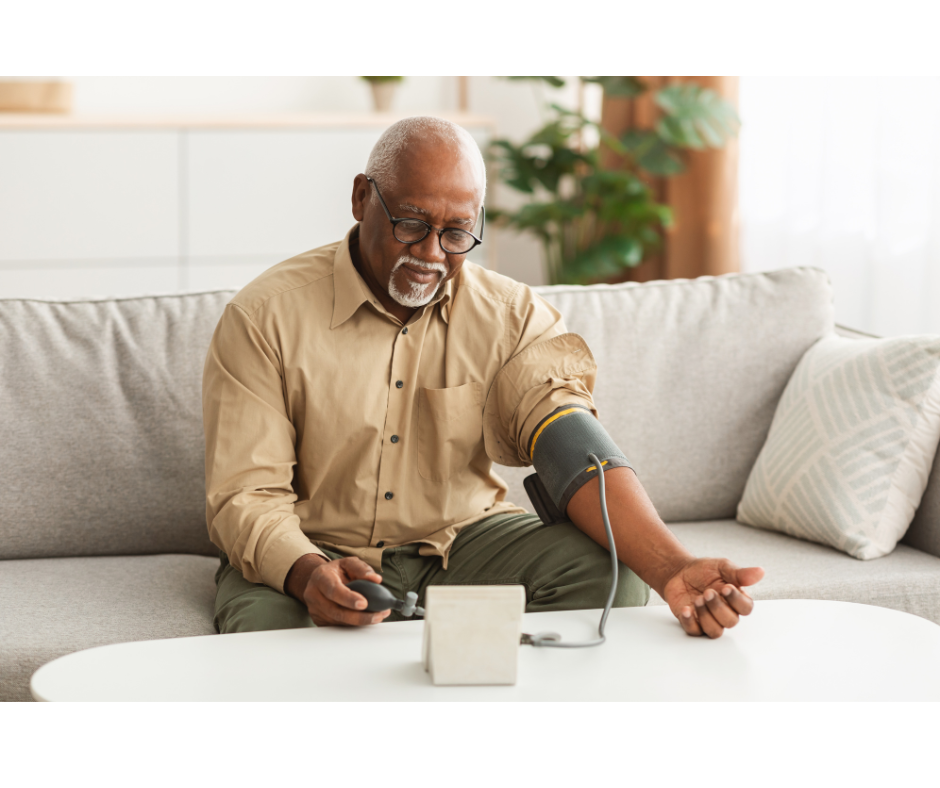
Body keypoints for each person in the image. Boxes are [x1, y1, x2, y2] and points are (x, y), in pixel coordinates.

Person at [202, 116, 764, 640]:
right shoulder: (264, 317)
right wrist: (305, 574)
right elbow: (245, 496)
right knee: (266, 639)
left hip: (460, 543)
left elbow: (570, 445)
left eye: (455, 233)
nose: (430, 253)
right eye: (411, 223)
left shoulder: (513, 317)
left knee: (608, 573)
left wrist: (673, 566)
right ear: (360, 198)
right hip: (312, 547)